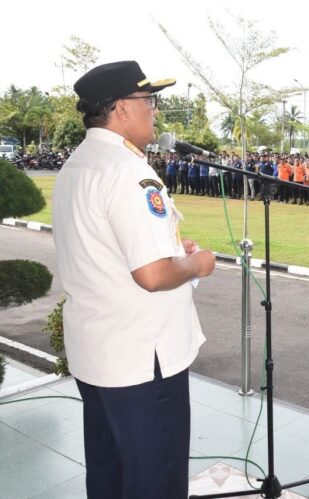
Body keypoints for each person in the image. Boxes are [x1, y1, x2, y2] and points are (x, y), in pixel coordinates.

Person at [52, 61, 216, 499]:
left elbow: (103, 252)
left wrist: (171, 255)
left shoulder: (77, 164)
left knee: (109, 475)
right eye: (149, 101)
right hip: (144, 361)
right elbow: (152, 274)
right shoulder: (127, 170)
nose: (155, 112)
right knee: (154, 481)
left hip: (98, 353)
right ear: (122, 108)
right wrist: (198, 264)